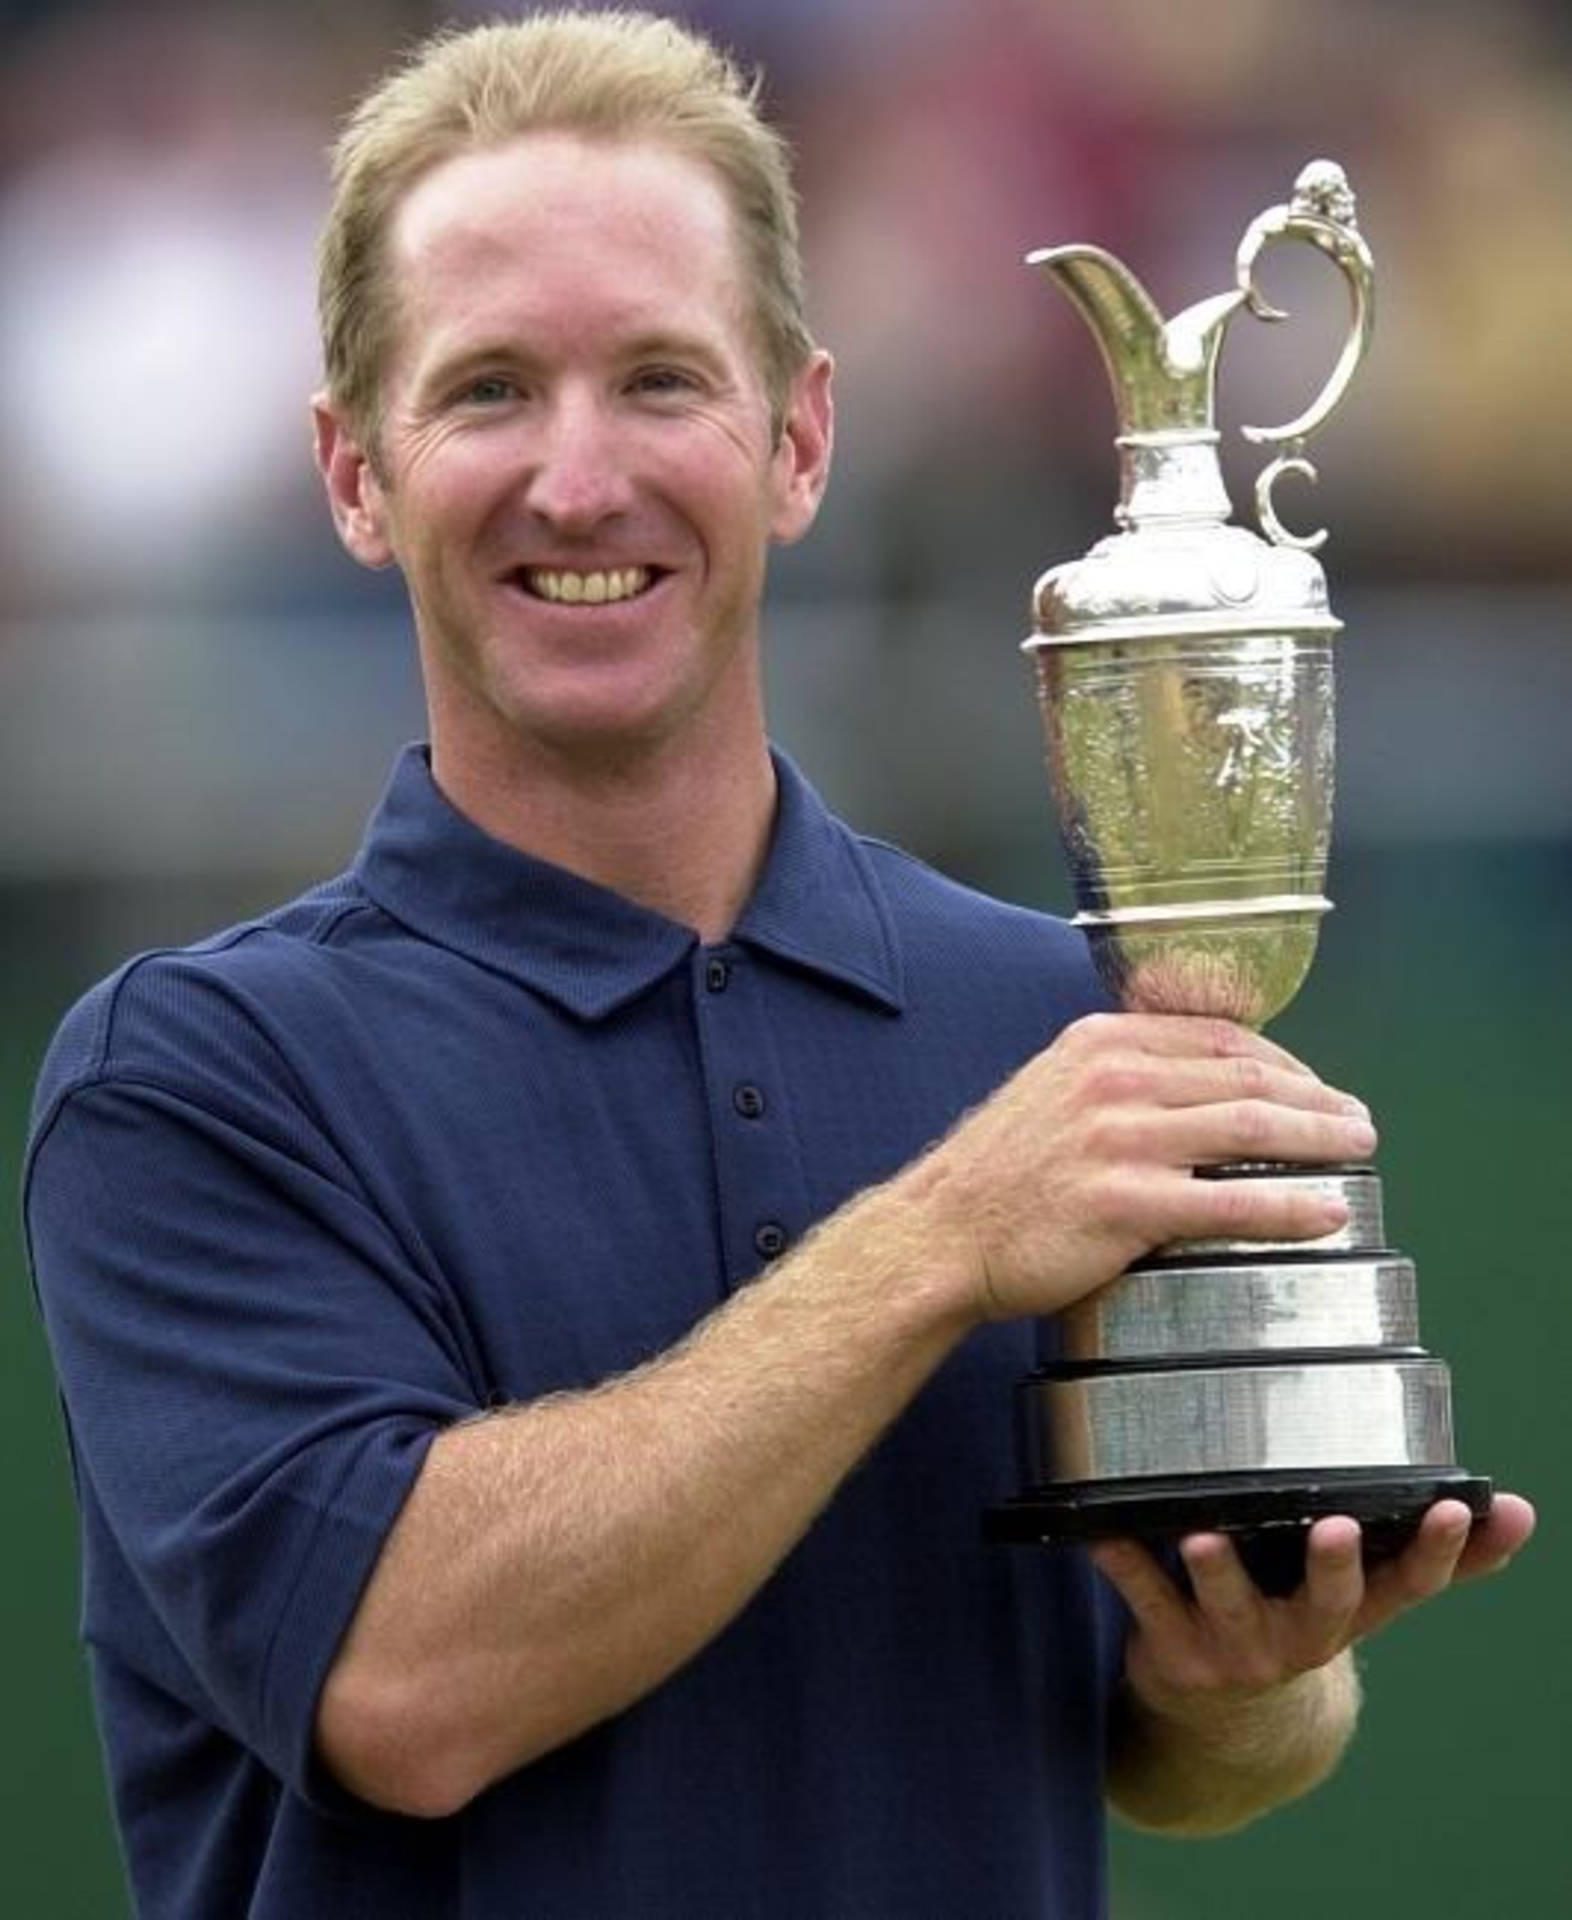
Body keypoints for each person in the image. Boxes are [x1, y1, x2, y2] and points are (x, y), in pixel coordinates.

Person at [23, 12, 1532, 1919]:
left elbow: (1209, 1751)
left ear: (798, 438)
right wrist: (936, 1243)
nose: (580, 482)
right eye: (489, 391)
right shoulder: (193, 1080)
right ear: (354, 474)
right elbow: (405, 1684)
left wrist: (1247, 1669)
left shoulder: (1058, 1024)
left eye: (661, 381)